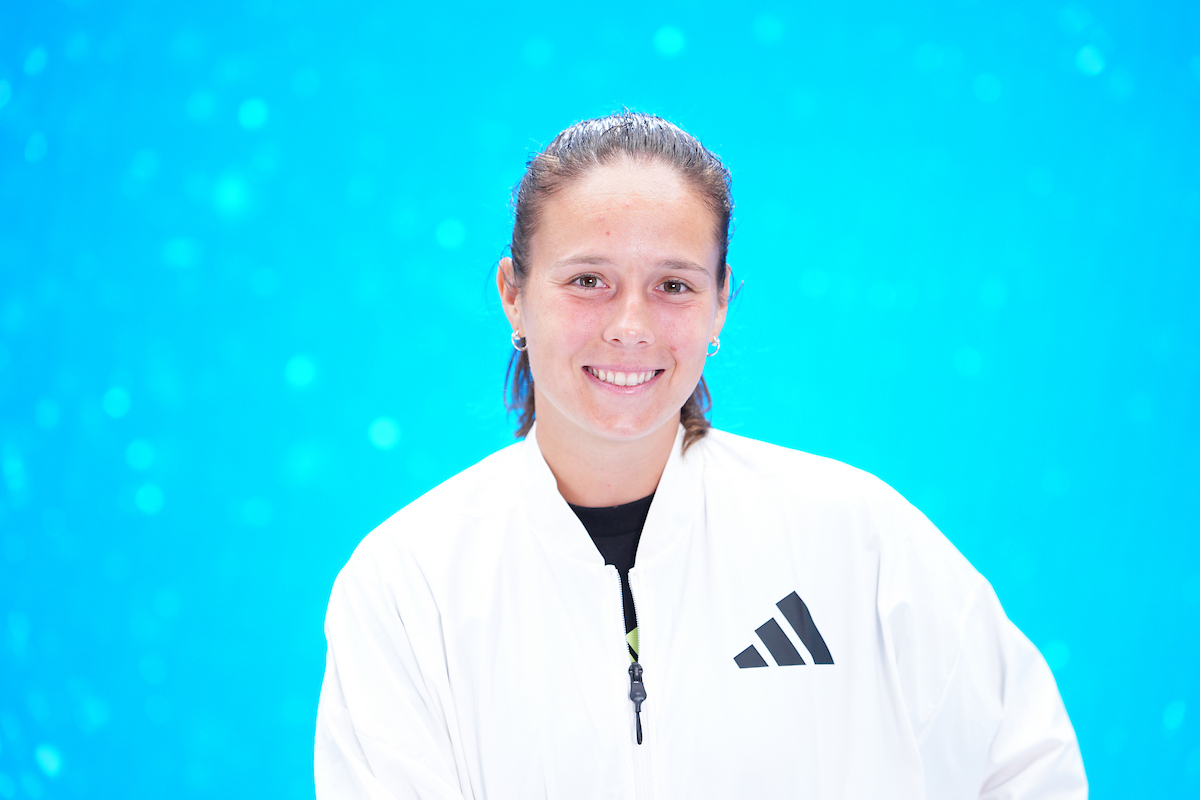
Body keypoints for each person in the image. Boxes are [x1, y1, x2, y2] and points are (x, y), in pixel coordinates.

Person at [315, 112, 1087, 799]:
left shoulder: (854, 538)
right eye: (588, 279)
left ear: (721, 302)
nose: (630, 325)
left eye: (673, 286)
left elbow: (1024, 764)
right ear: (514, 295)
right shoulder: (408, 585)